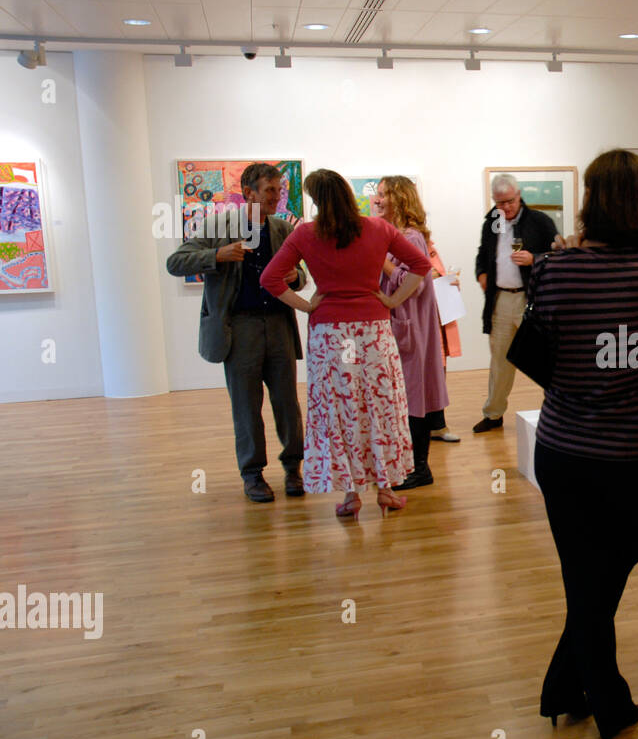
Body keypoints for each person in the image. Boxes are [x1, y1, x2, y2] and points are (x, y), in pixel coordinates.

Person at [530, 150, 638, 739]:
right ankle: (607, 698)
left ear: (592, 202)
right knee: (611, 565)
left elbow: (542, 355)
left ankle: (566, 686)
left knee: (583, 573)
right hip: (631, 449)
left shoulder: (551, 269)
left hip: (564, 446)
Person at [260, 169, 431, 517]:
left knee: (342, 412)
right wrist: (394, 299)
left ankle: (352, 495)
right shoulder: (378, 228)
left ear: (317, 200)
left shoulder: (305, 234)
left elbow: (270, 278)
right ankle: (385, 489)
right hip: (373, 333)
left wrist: (307, 305)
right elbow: (421, 264)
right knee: (378, 409)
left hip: (331, 337)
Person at [165, 162, 306, 504]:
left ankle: (293, 469)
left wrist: (295, 279)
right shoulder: (217, 226)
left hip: (278, 324)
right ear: (249, 193)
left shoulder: (282, 229)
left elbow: (300, 274)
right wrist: (217, 255)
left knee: (287, 402)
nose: (277, 197)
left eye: (279, 190)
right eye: (270, 190)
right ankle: (253, 474)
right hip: (239, 327)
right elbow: (175, 263)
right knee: (246, 405)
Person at [373, 176, 458, 491]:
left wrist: (381, 263)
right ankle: (408, 465)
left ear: (399, 199)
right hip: (401, 327)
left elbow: (416, 282)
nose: (377, 200)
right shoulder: (393, 235)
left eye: (383, 195)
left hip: (410, 330)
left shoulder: (410, 237)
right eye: (377, 195)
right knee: (405, 398)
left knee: (413, 398)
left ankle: (419, 468)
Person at [472, 174, 564, 434]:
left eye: (509, 201)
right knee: (500, 360)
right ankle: (493, 413)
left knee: (544, 356)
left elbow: (559, 255)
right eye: (499, 203)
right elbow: (483, 252)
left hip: (530, 298)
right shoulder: (492, 220)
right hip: (500, 298)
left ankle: (557, 411)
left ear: (519, 195)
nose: (505, 208)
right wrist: (481, 273)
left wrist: (534, 258)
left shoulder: (539, 221)